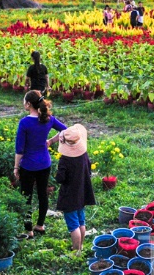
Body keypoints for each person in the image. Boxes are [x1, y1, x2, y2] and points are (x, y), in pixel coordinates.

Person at [14, 91, 68, 237]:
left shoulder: (24, 123)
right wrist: (51, 141)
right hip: (45, 163)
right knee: (43, 194)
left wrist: (16, 167)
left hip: (28, 165)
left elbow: (20, 149)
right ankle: (40, 225)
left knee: (26, 197)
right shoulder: (48, 119)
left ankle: (28, 230)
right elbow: (65, 130)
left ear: (29, 104)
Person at [51, 124, 96, 252]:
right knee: (81, 221)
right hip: (82, 192)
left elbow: (60, 179)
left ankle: (76, 251)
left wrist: (57, 174)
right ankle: (80, 247)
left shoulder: (64, 160)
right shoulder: (84, 155)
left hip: (69, 195)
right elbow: (89, 170)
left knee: (73, 225)